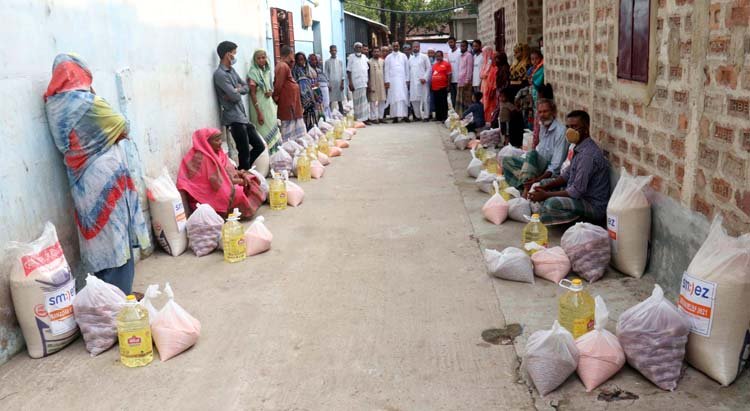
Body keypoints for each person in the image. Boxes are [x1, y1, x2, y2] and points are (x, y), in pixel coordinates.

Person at [44, 53, 151, 295]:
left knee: (96, 240)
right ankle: (119, 297)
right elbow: (123, 127)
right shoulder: (87, 102)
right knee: (116, 237)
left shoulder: (54, 105)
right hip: (105, 176)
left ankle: (104, 296)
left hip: (81, 180)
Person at [528, 110, 611, 225]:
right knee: (542, 184)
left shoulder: (587, 155)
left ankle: (580, 221)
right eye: (568, 127)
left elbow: (576, 191)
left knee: (551, 203)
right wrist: (545, 187)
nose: (570, 131)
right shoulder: (579, 148)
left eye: (575, 127)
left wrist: (546, 195)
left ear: (586, 129)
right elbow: (566, 176)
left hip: (592, 205)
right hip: (580, 197)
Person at [177, 128, 264, 219]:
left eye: (220, 139)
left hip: (223, 184)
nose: (220, 142)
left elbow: (227, 171)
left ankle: (235, 213)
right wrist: (240, 181)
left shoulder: (217, 152)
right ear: (206, 142)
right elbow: (217, 182)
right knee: (237, 192)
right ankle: (229, 215)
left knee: (251, 178)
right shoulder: (202, 158)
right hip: (205, 194)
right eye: (216, 140)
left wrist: (242, 174)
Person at [213, 41, 266, 171]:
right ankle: (245, 178)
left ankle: (241, 171)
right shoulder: (220, 74)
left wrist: (236, 90)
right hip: (233, 119)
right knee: (244, 152)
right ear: (227, 55)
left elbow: (246, 87)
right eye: (234, 53)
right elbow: (236, 97)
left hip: (242, 116)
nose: (235, 56)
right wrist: (237, 91)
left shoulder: (232, 71)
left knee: (259, 146)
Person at [503, 99, 568, 189]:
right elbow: (539, 149)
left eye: (545, 111)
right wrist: (524, 158)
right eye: (540, 112)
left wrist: (538, 180)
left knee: (532, 154)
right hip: (535, 166)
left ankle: (525, 189)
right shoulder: (543, 126)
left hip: (547, 171)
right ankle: (526, 183)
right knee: (507, 160)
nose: (542, 115)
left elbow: (555, 167)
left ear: (553, 112)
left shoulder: (561, 131)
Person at [247, 49, 281, 153]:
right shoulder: (253, 73)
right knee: (263, 133)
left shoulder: (266, 71)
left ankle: (276, 158)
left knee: (273, 130)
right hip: (259, 107)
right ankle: (267, 158)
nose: (261, 60)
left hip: (268, 106)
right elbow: (252, 93)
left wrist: (270, 92)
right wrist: (259, 113)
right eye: (259, 58)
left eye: (263, 57)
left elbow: (267, 88)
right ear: (255, 60)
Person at [273, 46, 306, 143]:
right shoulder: (282, 66)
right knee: (288, 125)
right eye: (292, 55)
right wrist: (276, 96)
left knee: (295, 124)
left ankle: (295, 145)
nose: (293, 58)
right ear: (289, 54)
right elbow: (279, 84)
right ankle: (289, 146)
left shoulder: (285, 65)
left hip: (291, 100)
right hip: (287, 100)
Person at [292, 52, 321, 130]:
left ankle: (312, 130)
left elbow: (311, 83)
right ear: (296, 61)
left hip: (309, 96)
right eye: (299, 60)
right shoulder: (294, 71)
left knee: (312, 115)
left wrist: (314, 93)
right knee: (303, 115)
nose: (301, 61)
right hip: (300, 96)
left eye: (302, 59)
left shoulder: (307, 70)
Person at [384, 41, 410, 123]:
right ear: (392, 47)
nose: (396, 47)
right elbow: (386, 70)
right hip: (392, 81)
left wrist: (407, 79)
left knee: (403, 97)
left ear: (399, 47)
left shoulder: (403, 56)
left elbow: (407, 69)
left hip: (402, 81)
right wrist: (387, 81)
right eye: (394, 46)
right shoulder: (388, 57)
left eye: (397, 46)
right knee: (393, 98)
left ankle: (405, 115)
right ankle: (395, 116)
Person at [347, 42, 371, 124]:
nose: (358, 49)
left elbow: (368, 69)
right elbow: (349, 71)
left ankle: (365, 119)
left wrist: (369, 82)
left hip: (363, 82)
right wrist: (350, 83)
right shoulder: (351, 57)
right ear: (354, 48)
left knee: (364, 102)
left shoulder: (364, 57)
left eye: (360, 47)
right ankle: (358, 119)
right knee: (357, 102)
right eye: (357, 47)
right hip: (355, 83)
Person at [408, 42, 431, 122]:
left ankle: (426, 116)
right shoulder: (410, 58)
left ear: (419, 47)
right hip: (413, 82)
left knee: (425, 98)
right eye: (414, 47)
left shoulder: (424, 57)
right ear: (412, 48)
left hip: (423, 81)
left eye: (417, 47)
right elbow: (409, 70)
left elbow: (429, 68)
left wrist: (425, 78)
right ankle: (417, 116)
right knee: (414, 99)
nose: (415, 48)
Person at [431, 50, 452, 121]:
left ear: (442, 56)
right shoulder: (434, 65)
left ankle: (444, 117)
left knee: (443, 103)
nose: (438, 57)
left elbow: (449, 75)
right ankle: (438, 117)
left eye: (439, 56)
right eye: (437, 56)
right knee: (437, 102)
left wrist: (448, 85)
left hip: (443, 87)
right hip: (435, 87)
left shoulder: (446, 64)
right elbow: (432, 75)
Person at [368, 46, 387, 124]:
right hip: (373, 83)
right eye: (374, 51)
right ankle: (373, 118)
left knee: (382, 100)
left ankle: (381, 117)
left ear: (380, 52)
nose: (376, 53)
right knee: (373, 101)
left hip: (381, 84)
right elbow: (368, 74)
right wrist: (369, 84)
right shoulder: (369, 62)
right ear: (372, 53)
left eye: (377, 51)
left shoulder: (383, 61)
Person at [309, 53, 331, 120]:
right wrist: (315, 92)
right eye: (313, 60)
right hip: (314, 92)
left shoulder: (318, 70)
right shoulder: (309, 70)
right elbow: (312, 84)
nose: (315, 61)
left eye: (316, 60)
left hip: (319, 91)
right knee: (317, 108)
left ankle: (325, 120)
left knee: (324, 105)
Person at [325, 45, 345, 113]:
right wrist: (328, 84)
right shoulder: (327, 62)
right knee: (330, 99)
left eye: (335, 50)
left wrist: (342, 83)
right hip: (331, 83)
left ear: (336, 51)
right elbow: (326, 73)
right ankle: (329, 113)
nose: (333, 52)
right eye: (332, 50)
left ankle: (341, 112)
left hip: (339, 82)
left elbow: (342, 73)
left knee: (340, 99)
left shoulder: (340, 61)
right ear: (330, 51)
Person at [455, 40, 474, 113]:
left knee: (466, 100)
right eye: (461, 46)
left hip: (466, 82)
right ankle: (461, 115)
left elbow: (469, 69)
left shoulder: (469, 55)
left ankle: (467, 115)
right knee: (460, 100)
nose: (462, 48)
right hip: (460, 81)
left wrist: (467, 80)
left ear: (467, 47)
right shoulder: (460, 56)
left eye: (463, 46)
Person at [479, 47, 497, 122]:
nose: (483, 55)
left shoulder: (491, 64)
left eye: (484, 53)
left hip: (489, 86)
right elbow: (481, 75)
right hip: (484, 85)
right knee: (484, 102)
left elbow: (487, 75)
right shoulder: (485, 63)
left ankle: (490, 120)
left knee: (489, 104)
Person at [447, 36, 461, 108]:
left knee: (459, 98)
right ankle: (454, 113)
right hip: (451, 79)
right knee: (453, 98)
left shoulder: (459, 52)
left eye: (452, 42)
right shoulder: (448, 52)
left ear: (455, 42)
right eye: (449, 42)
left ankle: (460, 113)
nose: (450, 44)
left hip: (458, 79)